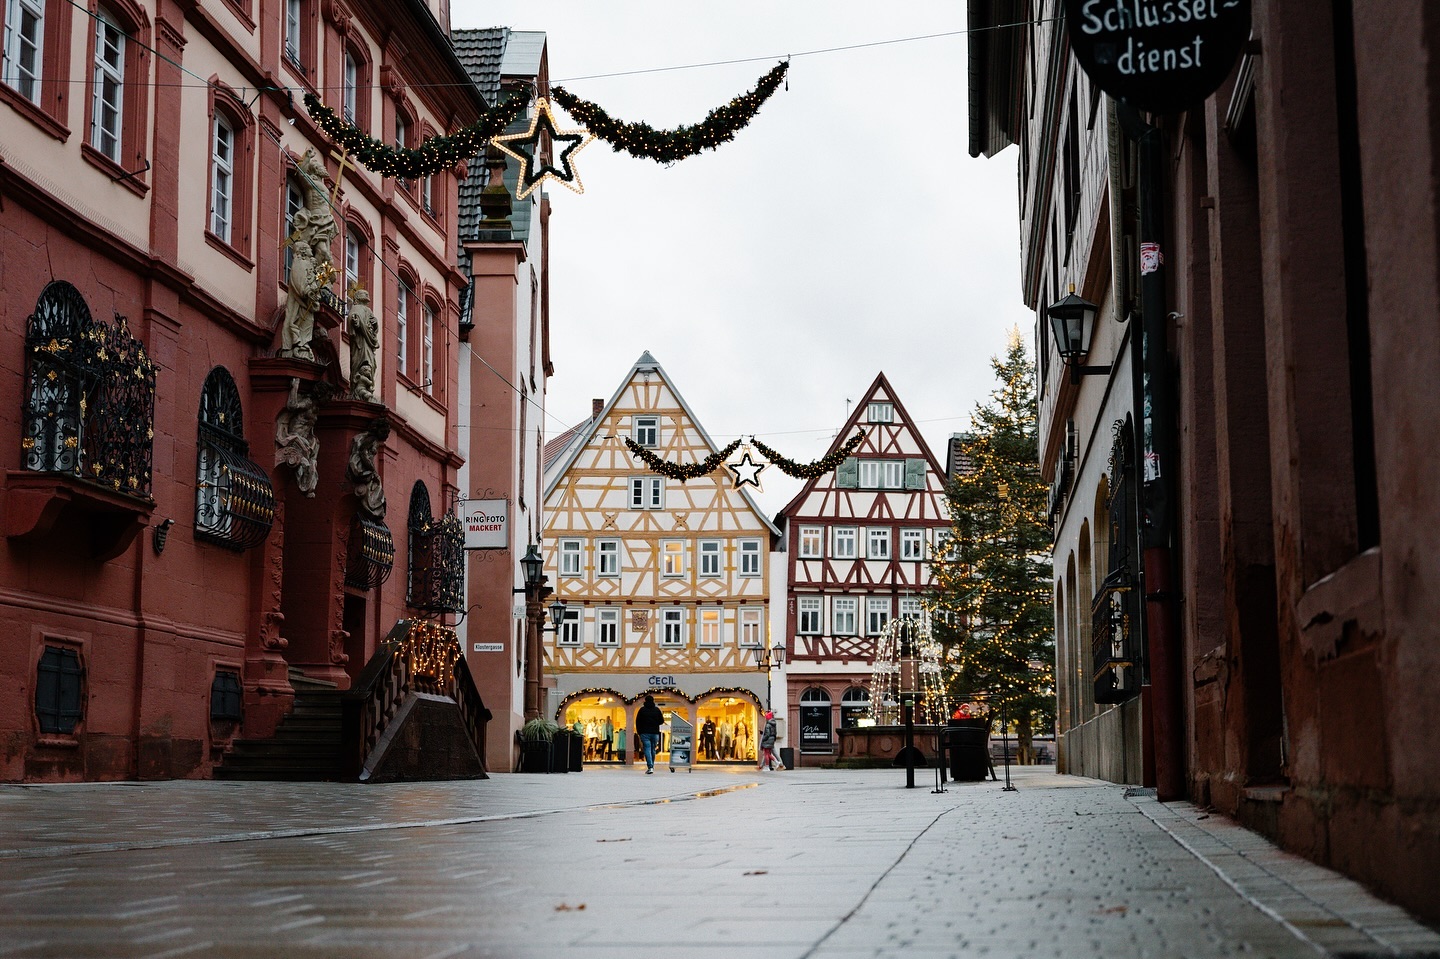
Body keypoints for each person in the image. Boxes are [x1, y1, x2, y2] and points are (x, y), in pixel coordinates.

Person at [635, 695, 664, 774]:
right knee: (653, 749)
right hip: (655, 733)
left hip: (644, 733)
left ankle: (650, 767)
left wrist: (639, 732)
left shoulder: (642, 710)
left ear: (645, 701)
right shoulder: (657, 710)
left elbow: (638, 722)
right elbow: (661, 721)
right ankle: (652, 766)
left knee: (647, 749)